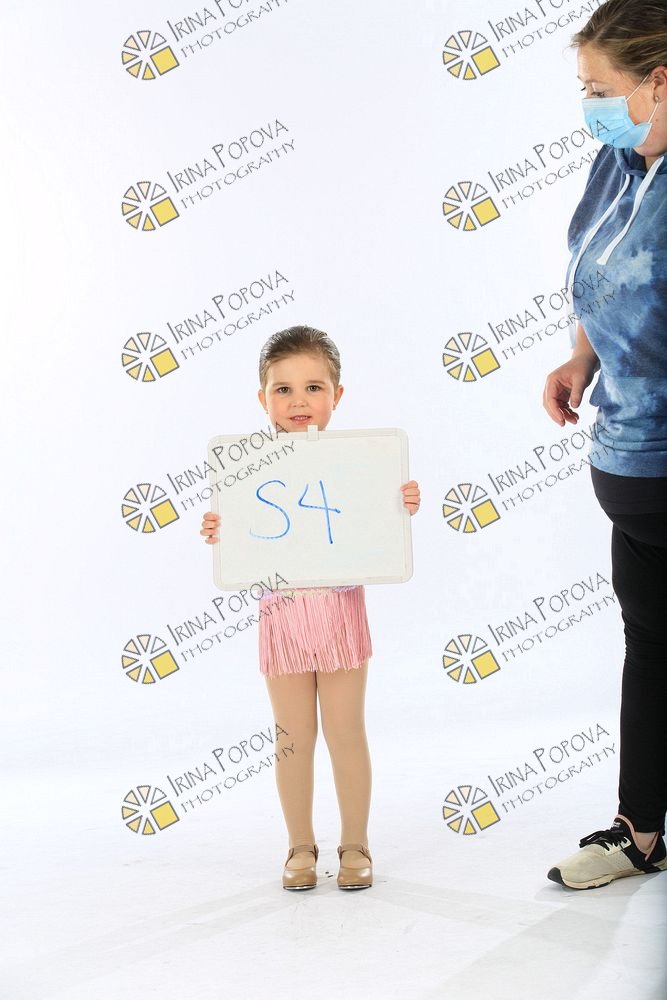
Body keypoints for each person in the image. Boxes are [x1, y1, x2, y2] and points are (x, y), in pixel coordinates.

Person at [200, 325, 420, 890]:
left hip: (341, 614)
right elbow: (242, 535)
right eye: (283, 389)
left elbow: (377, 523)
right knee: (292, 736)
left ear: (337, 395)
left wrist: (399, 502)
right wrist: (222, 528)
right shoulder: (247, 469)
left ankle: (355, 843)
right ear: (263, 398)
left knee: (346, 730)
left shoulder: (359, 464)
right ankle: (299, 844)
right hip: (283, 620)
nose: (299, 401)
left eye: (313, 387)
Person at [543, 0, 667, 889]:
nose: (588, 105)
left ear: (658, 82)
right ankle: (640, 832)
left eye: (598, 89)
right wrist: (580, 357)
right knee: (649, 641)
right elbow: (593, 275)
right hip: (623, 454)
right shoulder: (617, 163)